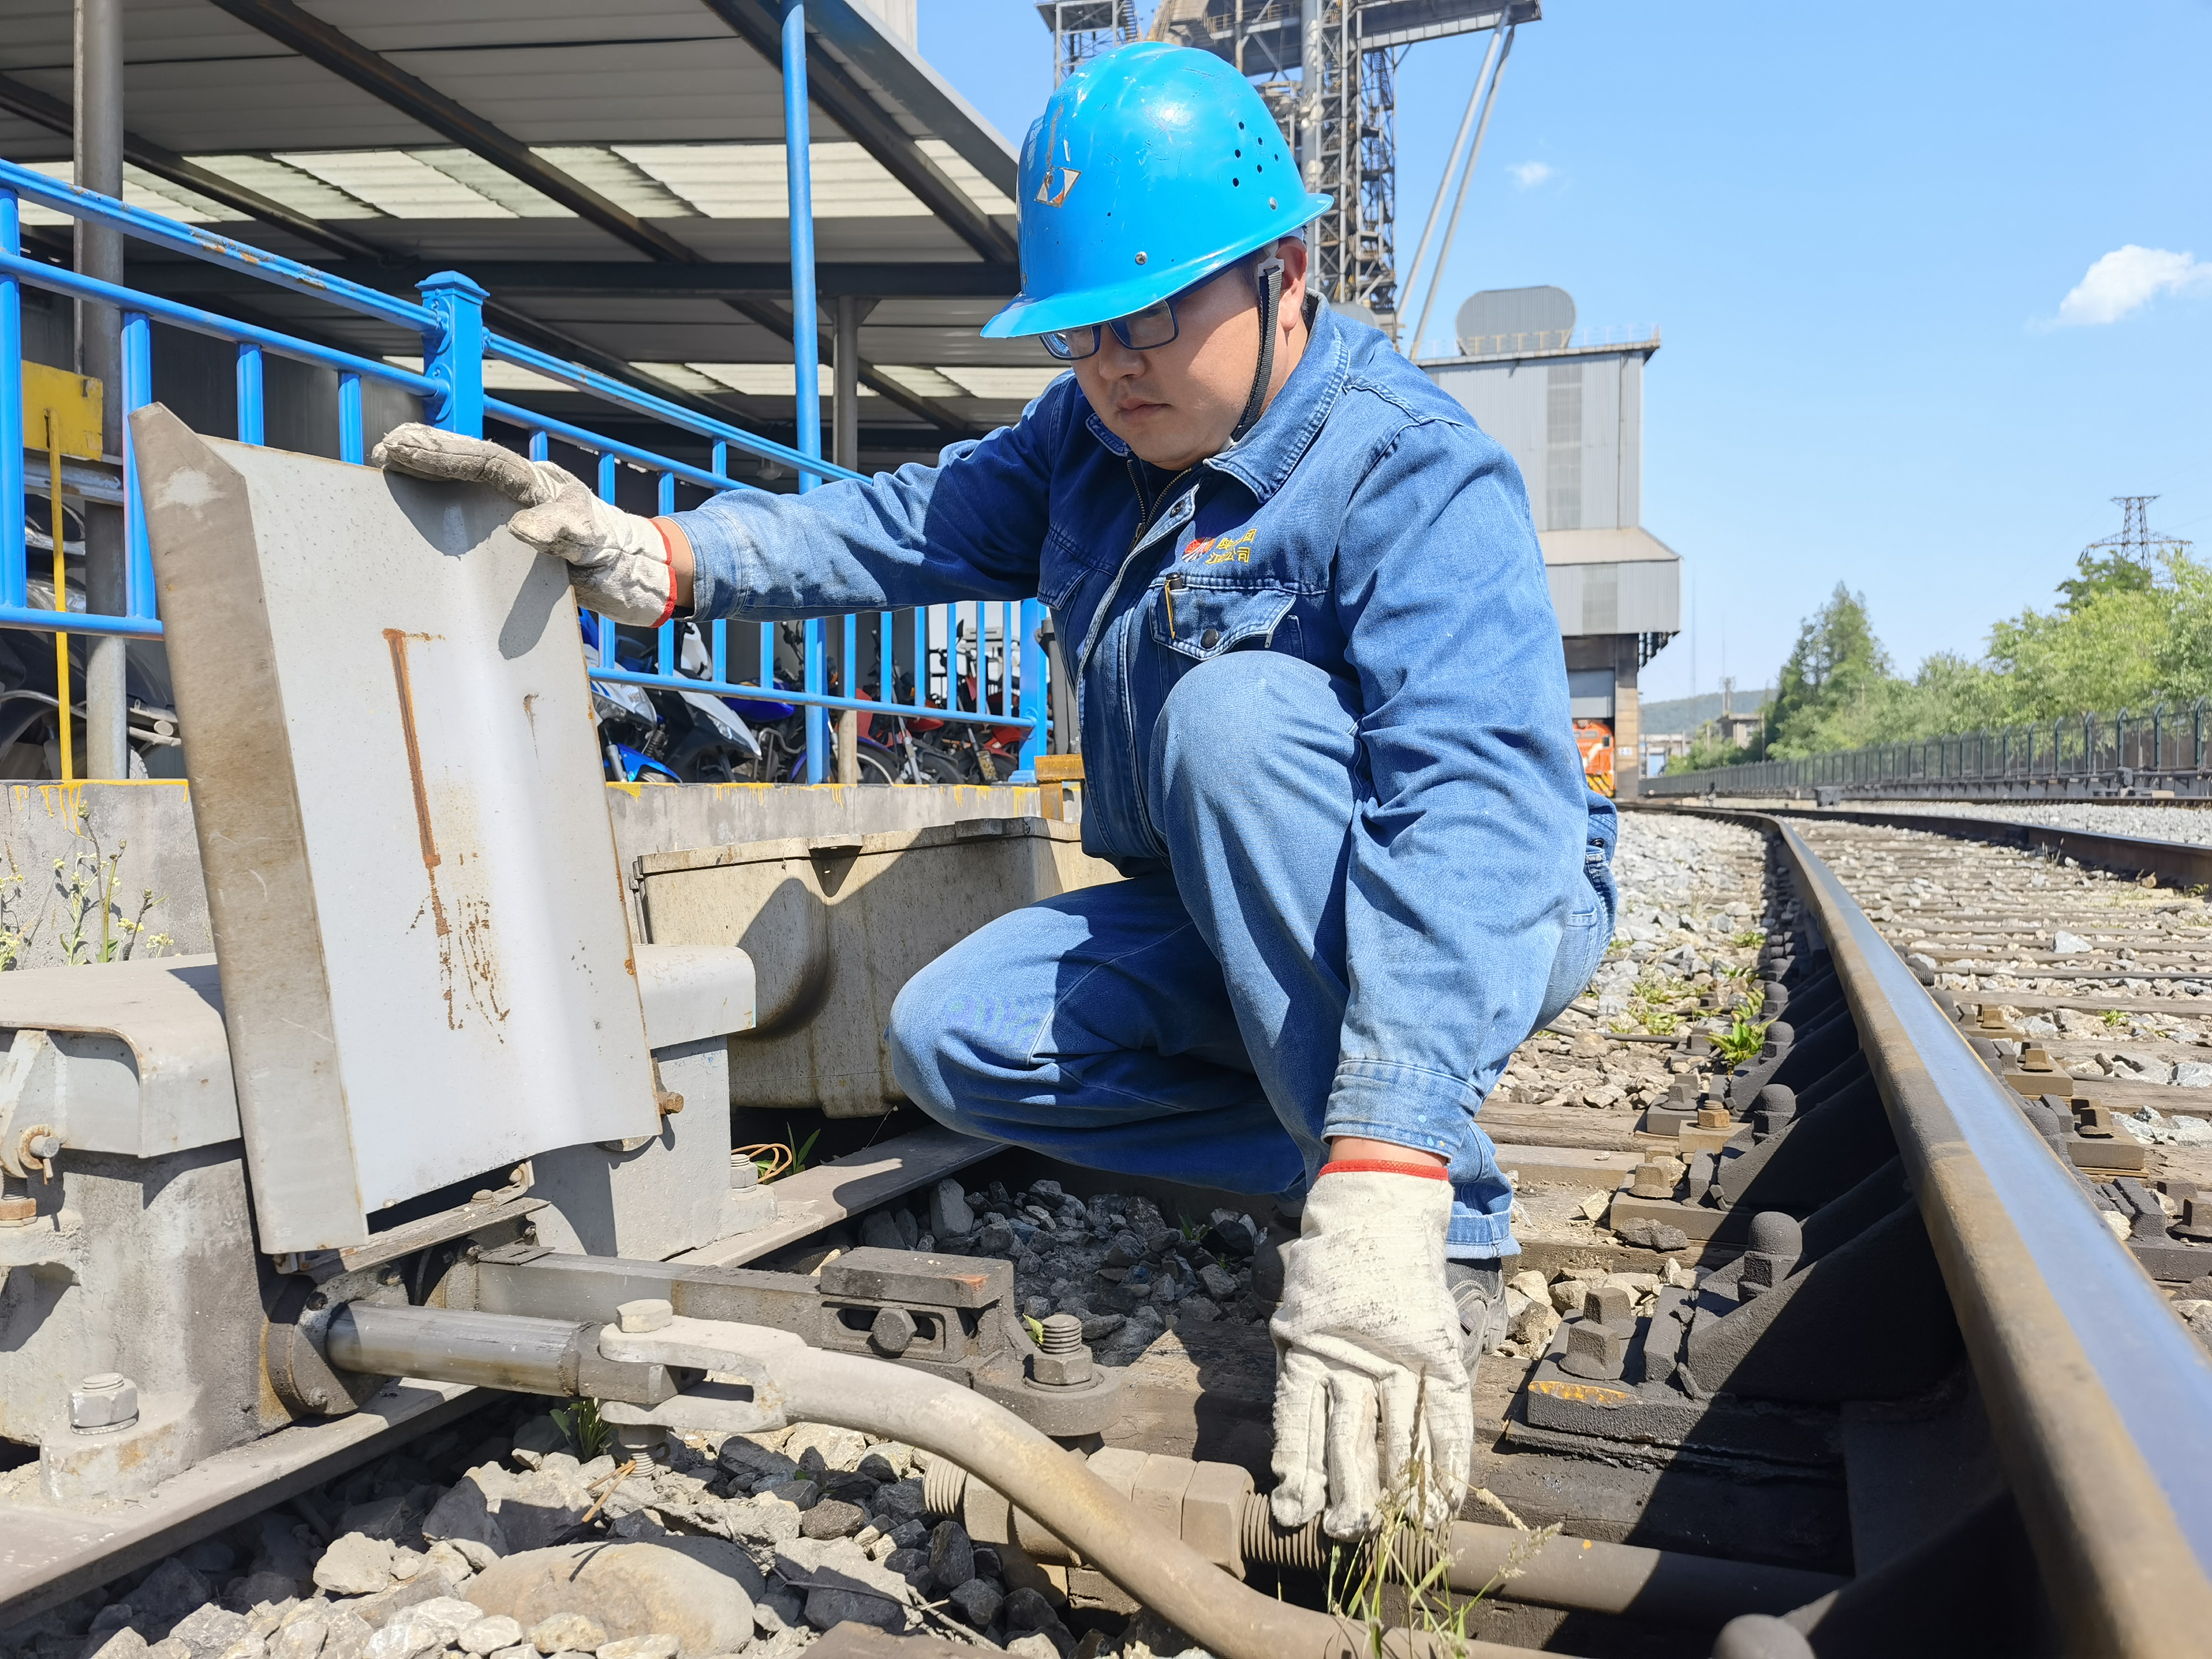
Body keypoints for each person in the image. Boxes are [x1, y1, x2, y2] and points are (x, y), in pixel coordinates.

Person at [373, 41, 1616, 1540]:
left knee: (1236, 719)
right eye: (1083, 333)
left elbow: (1477, 817)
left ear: (1285, 275)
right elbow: (898, 525)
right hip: (1216, 908)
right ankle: (1336, 1140)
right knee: (952, 1041)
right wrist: (673, 559)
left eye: (1151, 316)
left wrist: (1392, 1159)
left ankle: (1435, 1211)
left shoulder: (1413, 474)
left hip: (1469, 904)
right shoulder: (1086, 441)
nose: (1114, 366)